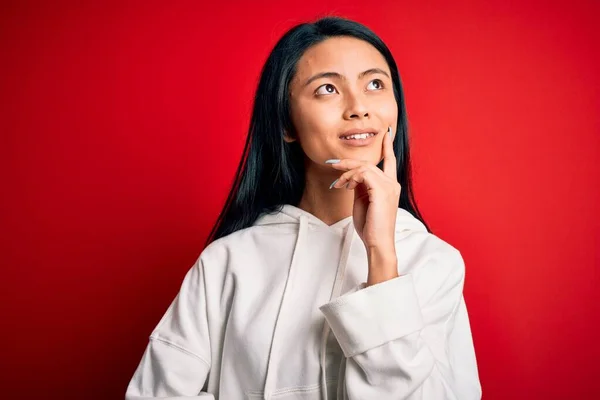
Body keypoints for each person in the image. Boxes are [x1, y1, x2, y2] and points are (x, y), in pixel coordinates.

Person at [125, 16, 482, 400]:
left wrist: (381, 257)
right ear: (286, 123)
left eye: (375, 84)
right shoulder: (226, 261)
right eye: (327, 89)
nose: (359, 107)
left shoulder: (433, 261)